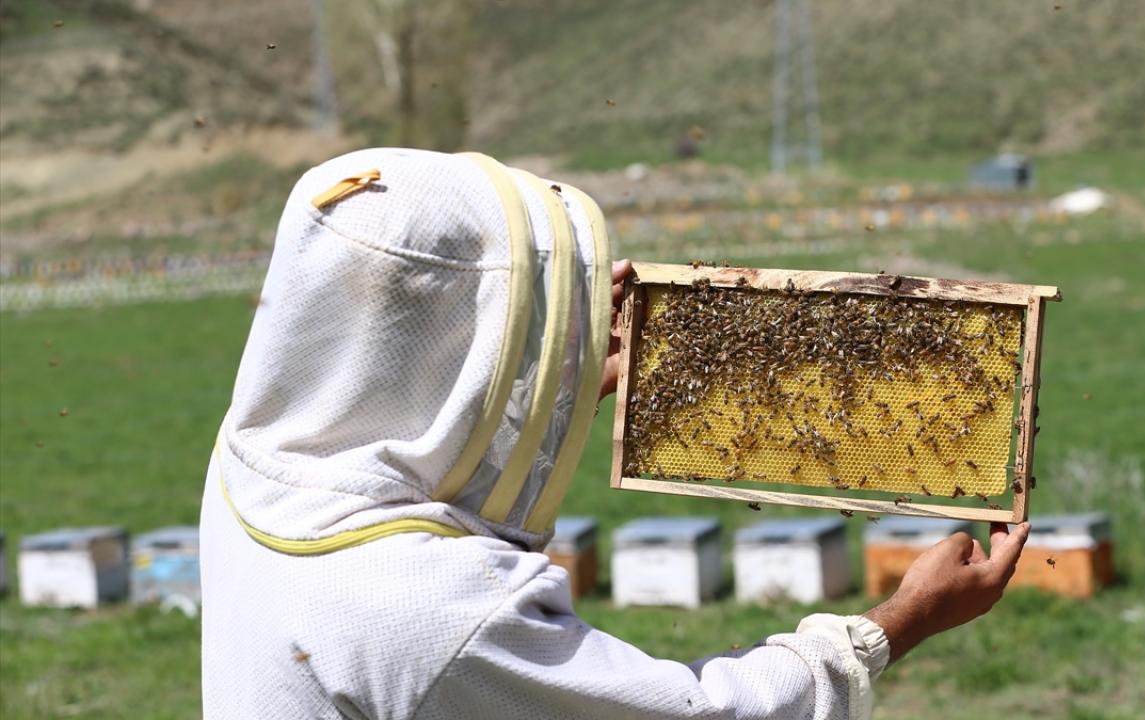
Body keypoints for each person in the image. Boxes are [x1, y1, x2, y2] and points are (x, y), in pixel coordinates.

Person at [200, 148, 1030, 719]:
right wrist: (899, 622)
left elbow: (427, 446)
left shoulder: (258, 461)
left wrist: (552, 378)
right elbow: (698, 715)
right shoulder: (429, 612)